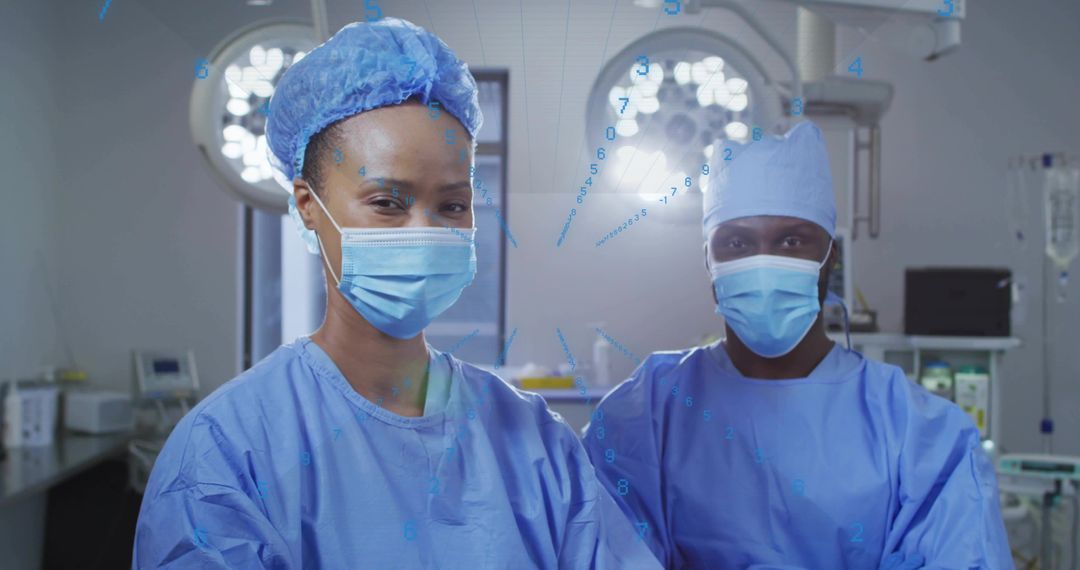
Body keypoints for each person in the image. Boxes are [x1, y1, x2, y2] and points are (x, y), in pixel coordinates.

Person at [133, 18, 659, 569]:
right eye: (387, 202)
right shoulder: (226, 451)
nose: (424, 232)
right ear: (309, 207)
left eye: (453, 206)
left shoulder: (533, 441)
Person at [582, 121, 1013, 569]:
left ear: (831, 256)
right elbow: (605, 551)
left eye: (791, 241)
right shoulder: (648, 414)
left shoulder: (919, 434)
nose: (763, 262)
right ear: (708, 259)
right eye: (737, 243)